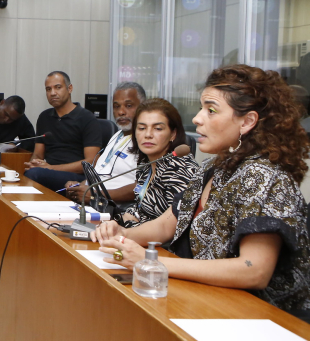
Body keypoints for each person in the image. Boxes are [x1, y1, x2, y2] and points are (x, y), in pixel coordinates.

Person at [93, 65, 310, 322]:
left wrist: (151, 261)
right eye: (200, 108)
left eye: (211, 110)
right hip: (211, 301)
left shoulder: (265, 176)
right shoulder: (213, 167)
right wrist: (123, 235)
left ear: (247, 121)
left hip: (263, 318)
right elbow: (166, 225)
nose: (197, 118)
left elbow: (254, 271)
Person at [116, 98, 198, 227]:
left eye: (158, 128)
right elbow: (139, 208)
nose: (148, 134)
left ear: (173, 134)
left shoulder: (180, 170)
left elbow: (172, 228)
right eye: (142, 128)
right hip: (138, 237)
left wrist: (123, 229)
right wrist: (115, 221)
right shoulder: (145, 164)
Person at [64, 82, 146, 204]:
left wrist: (97, 195)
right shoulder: (116, 136)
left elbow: (144, 185)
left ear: (143, 106)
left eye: (128, 106)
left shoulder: (147, 140)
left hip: (115, 208)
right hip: (92, 202)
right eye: (116, 106)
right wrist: (79, 186)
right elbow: (101, 173)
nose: (121, 112)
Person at [23, 71, 102, 192]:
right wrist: (34, 163)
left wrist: (51, 168)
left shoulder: (86, 118)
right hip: (49, 172)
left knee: (35, 175)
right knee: (25, 173)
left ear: (70, 88)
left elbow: (92, 161)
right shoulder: (44, 117)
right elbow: (38, 154)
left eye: (58, 87)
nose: (52, 93)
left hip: (77, 178)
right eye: (48, 89)